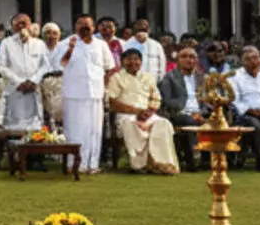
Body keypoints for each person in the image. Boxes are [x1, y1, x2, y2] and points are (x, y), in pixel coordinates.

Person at [106, 46, 179, 175]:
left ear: (141, 61)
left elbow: (156, 98)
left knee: (164, 123)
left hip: (147, 114)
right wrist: (136, 111)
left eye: (136, 59)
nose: (133, 62)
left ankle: (162, 164)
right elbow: (112, 102)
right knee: (131, 124)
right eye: (129, 59)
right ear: (122, 62)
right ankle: (140, 165)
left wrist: (149, 112)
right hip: (126, 115)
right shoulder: (116, 78)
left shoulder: (148, 77)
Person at [58, 13, 114, 175]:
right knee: (74, 130)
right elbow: (59, 65)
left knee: (94, 131)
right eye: (80, 25)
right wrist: (70, 49)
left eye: (87, 26)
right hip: (74, 94)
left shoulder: (101, 45)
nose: (84, 28)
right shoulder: (65, 44)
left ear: (93, 28)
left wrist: (103, 86)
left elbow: (109, 67)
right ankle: (74, 164)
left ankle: (92, 164)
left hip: (95, 94)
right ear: (75, 27)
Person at [0, 12, 49, 131]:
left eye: (24, 23)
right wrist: (19, 82)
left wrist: (34, 81)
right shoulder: (6, 43)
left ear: (30, 25)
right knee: (13, 127)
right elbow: (0, 65)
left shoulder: (39, 44)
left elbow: (45, 65)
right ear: (12, 27)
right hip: (15, 89)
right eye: (17, 24)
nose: (21, 26)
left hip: (33, 89)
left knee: (35, 128)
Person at [159, 46, 208, 170]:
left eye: (192, 57)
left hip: (200, 113)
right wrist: (188, 112)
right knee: (189, 121)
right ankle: (191, 160)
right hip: (179, 113)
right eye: (184, 57)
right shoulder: (169, 77)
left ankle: (213, 159)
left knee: (219, 119)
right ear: (178, 60)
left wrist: (201, 113)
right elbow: (166, 101)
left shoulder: (202, 78)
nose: (189, 60)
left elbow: (207, 100)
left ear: (197, 60)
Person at [39, 22, 65, 128]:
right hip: (41, 81)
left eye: (55, 33)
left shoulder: (64, 48)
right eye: (48, 33)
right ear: (43, 35)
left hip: (59, 81)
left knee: (58, 112)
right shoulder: (37, 48)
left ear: (59, 35)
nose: (51, 36)